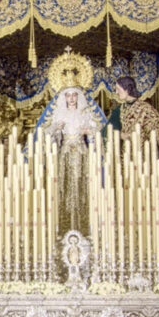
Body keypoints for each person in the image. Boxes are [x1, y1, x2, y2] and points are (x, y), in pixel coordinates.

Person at [44, 87, 103, 235]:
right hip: (65, 152)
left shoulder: (84, 112)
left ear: (78, 97)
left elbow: (97, 130)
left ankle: (82, 215)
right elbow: (48, 132)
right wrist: (56, 129)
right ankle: (65, 216)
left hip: (81, 151)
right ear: (64, 98)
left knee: (80, 180)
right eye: (68, 95)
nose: (71, 98)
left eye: (74, 95)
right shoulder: (59, 113)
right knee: (65, 181)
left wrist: (88, 131)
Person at [105, 76, 159, 148]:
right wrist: (120, 135)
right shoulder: (119, 110)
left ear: (127, 89)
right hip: (125, 152)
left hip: (143, 151)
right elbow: (107, 131)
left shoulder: (145, 109)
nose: (116, 92)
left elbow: (158, 132)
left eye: (118, 89)